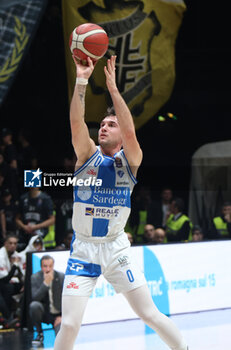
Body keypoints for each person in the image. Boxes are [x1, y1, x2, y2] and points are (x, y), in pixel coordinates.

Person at [53, 56, 188, 350]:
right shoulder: (87, 155)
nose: (103, 127)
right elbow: (77, 122)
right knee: (71, 323)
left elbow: (131, 132)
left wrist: (114, 89)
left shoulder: (131, 160)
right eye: (101, 123)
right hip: (84, 249)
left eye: (110, 124)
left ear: (121, 136)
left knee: (149, 314)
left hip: (116, 248)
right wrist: (82, 80)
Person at [29, 255, 64, 346]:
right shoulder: (35, 277)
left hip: (57, 315)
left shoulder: (61, 277)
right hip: (44, 313)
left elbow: (67, 299)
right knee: (34, 306)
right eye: (45, 266)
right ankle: (39, 333)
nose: (48, 269)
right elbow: (35, 298)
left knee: (61, 341)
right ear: (41, 267)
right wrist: (45, 284)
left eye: (50, 266)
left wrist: (62, 316)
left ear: (53, 266)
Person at [0, 234, 23, 327]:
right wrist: (15, 264)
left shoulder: (17, 255)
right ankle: (8, 318)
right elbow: (5, 279)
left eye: (15, 243)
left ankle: (15, 316)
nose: (13, 245)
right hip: (2, 282)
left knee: (13, 287)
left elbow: (22, 274)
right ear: (5, 244)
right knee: (6, 287)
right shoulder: (1, 256)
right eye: (10, 243)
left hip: (6, 283)